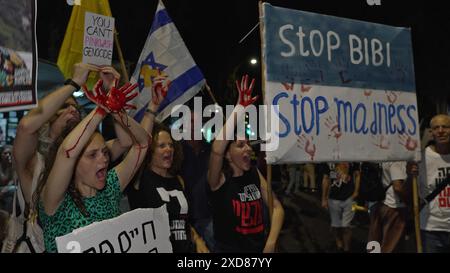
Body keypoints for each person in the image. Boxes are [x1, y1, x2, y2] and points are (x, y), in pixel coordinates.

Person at [35, 78, 150, 253]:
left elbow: (142, 144)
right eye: (92, 155)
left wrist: (118, 113)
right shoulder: (55, 200)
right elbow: (67, 152)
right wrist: (100, 111)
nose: (104, 159)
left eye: (104, 152)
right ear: (73, 165)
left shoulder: (110, 187)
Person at [127, 76, 209, 253]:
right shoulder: (140, 178)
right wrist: (153, 107)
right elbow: (139, 144)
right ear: (149, 150)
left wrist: (198, 239)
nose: (169, 149)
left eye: (171, 145)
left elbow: (182, 222)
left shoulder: (179, 180)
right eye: (162, 145)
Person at [207, 75, 284, 253]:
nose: (248, 148)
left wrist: (270, 244)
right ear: (227, 155)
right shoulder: (218, 181)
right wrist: (239, 109)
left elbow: (277, 208)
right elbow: (217, 149)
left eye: (249, 144)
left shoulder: (254, 174)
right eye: (241, 145)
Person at [415, 114, 450, 252]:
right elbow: (409, 193)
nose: (441, 130)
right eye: (436, 128)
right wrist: (409, 175)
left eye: (445, 126)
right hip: (431, 229)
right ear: (431, 132)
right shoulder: (421, 158)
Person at [367, 161, 409, 252]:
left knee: (375, 243)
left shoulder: (386, 156)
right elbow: (398, 186)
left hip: (381, 202)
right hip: (394, 206)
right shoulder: (398, 160)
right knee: (391, 245)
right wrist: (410, 202)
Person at [321, 162, 360, 252]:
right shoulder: (327, 159)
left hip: (350, 198)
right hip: (333, 198)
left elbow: (357, 175)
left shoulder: (352, 156)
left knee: (346, 226)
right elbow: (326, 178)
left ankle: (346, 248)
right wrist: (323, 198)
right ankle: (339, 244)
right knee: (335, 225)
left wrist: (356, 192)